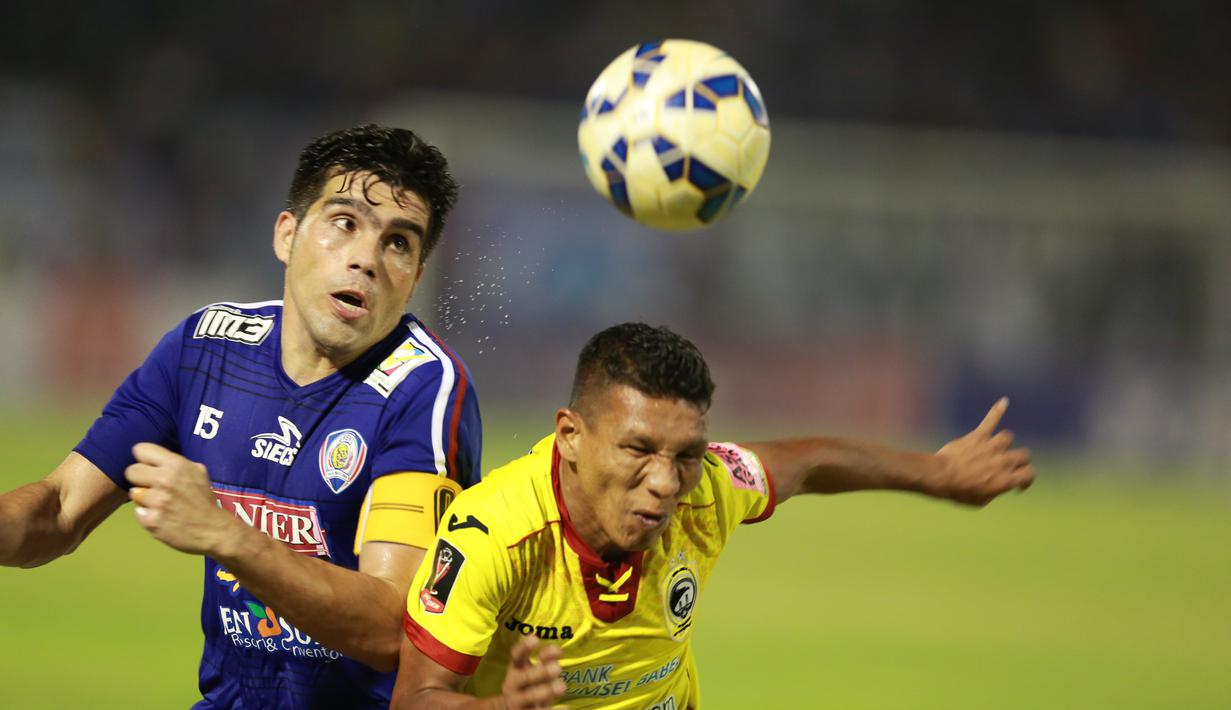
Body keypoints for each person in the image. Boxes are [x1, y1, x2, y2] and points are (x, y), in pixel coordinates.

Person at [0, 125, 482, 708]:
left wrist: (227, 534)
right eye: (344, 223)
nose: (366, 260)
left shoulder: (423, 387)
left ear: (416, 278)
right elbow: (58, 510)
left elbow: (391, 629)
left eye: (399, 242)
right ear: (286, 234)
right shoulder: (207, 348)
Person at [392, 322, 1034, 710]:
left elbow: (807, 462)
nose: (665, 482)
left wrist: (936, 474)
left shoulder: (708, 490)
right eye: (638, 449)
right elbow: (414, 699)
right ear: (571, 436)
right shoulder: (494, 534)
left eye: (686, 455)